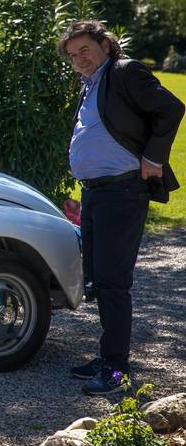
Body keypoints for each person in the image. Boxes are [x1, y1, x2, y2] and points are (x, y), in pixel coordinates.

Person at [60, 20, 184, 396]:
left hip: (124, 191)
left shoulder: (124, 71)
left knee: (113, 282)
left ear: (104, 44)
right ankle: (107, 355)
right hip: (97, 192)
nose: (79, 59)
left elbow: (172, 108)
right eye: (72, 55)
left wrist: (154, 157)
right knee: (99, 278)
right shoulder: (92, 84)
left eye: (84, 49)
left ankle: (116, 369)